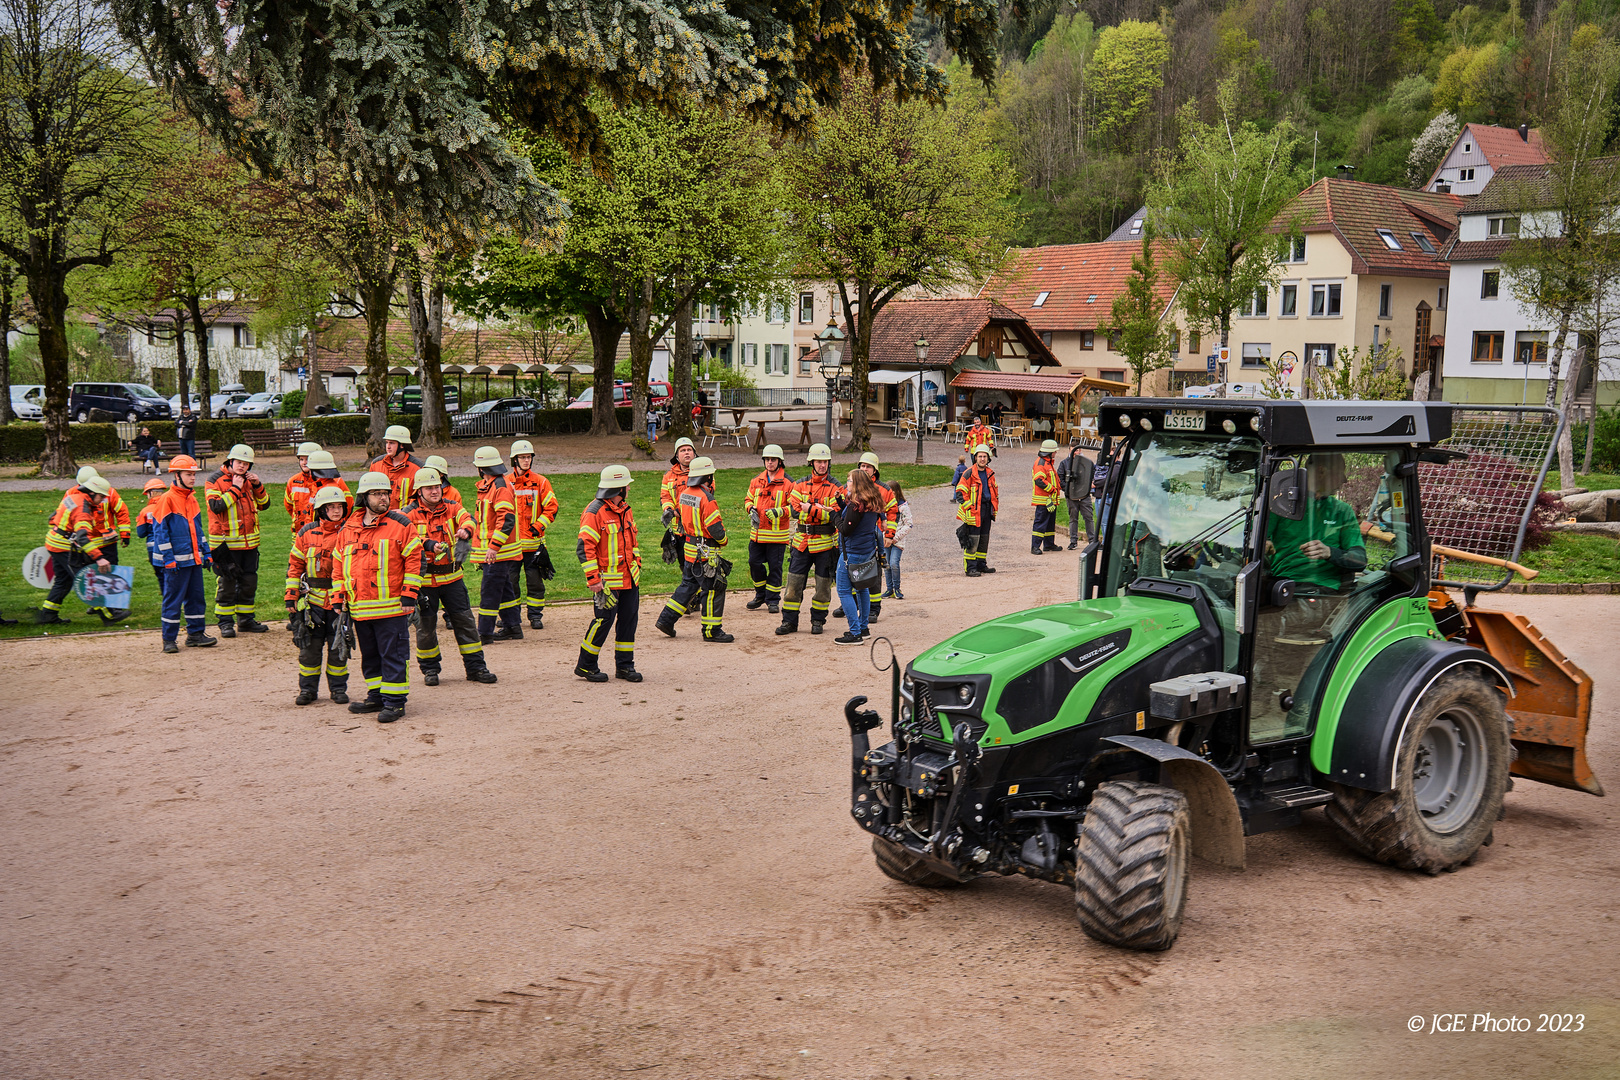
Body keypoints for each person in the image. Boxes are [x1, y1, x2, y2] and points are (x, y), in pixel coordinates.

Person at [335, 472, 423, 723]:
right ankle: (376, 695)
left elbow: (415, 561)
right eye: (377, 494)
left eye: (385, 493)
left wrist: (409, 595)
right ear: (364, 497)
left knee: (393, 655)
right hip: (360, 608)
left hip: (392, 608)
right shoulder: (349, 527)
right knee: (370, 656)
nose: (383, 498)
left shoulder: (401, 524)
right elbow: (339, 565)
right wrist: (339, 598)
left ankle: (395, 703)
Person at [404, 468, 497, 687]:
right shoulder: (407, 514)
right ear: (419, 491)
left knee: (465, 623)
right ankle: (430, 669)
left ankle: (476, 668)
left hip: (452, 578)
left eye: (437, 486)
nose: (435, 491)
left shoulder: (452, 506)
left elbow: (470, 519)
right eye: (429, 488)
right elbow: (403, 540)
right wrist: (426, 544)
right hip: (425, 582)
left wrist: (466, 530)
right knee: (425, 629)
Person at [285, 486, 353, 705]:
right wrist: (291, 596)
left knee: (338, 647)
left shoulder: (350, 531)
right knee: (309, 650)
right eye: (331, 507)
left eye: (339, 506)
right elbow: (295, 565)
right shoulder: (306, 533)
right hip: (312, 602)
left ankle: (338, 689)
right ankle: (307, 690)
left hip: (339, 603)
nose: (336, 510)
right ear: (321, 510)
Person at [576, 465, 643, 683]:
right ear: (618, 489)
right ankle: (586, 665)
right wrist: (593, 580)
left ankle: (625, 666)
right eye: (626, 486)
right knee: (602, 621)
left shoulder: (625, 509)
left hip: (629, 579)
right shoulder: (594, 513)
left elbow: (632, 541)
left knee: (628, 622)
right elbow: (584, 548)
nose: (628, 490)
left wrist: (637, 562)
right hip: (607, 583)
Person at [656, 455, 732, 642]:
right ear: (707, 477)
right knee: (713, 589)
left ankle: (666, 620)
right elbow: (715, 529)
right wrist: (724, 541)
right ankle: (711, 631)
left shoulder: (685, 494)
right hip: (706, 552)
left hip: (690, 549)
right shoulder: (707, 498)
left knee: (688, 585)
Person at [148, 455, 216, 652]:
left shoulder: (192, 499)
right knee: (173, 600)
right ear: (176, 475)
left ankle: (196, 635)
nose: (193, 478)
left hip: (193, 560)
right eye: (188, 474)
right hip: (175, 564)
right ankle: (169, 640)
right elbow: (160, 533)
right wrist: (168, 560)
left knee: (196, 599)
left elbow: (198, 530)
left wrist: (206, 553)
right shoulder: (166, 500)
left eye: (194, 474)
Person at [205, 443, 272, 636]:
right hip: (225, 544)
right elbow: (216, 506)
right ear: (230, 461)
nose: (242, 466)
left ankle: (246, 621)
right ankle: (225, 623)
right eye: (239, 462)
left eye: (246, 463)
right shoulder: (214, 480)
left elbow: (265, 504)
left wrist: (258, 484)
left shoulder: (249, 480)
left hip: (249, 543)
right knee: (227, 583)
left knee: (249, 582)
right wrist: (235, 488)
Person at [776, 443, 843, 636]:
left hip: (825, 545)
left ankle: (818, 621)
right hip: (801, 543)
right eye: (818, 461)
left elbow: (834, 515)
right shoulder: (800, 484)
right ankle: (789, 622)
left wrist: (810, 508)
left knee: (823, 587)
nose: (822, 465)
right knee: (793, 586)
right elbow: (796, 509)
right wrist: (820, 509)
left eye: (825, 461)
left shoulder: (836, 487)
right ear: (811, 462)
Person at [37, 473, 117, 624]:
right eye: (102, 496)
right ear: (92, 493)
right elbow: (83, 538)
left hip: (54, 542)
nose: (104, 500)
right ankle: (109, 616)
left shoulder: (72, 497)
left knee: (63, 581)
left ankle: (48, 615)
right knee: (86, 580)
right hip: (63, 547)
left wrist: (64, 530)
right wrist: (99, 558)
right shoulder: (83, 509)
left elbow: (52, 518)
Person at [833, 451, 897, 622]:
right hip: (856, 537)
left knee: (871, 578)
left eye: (868, 466)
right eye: (862, 466)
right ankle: (852, 605)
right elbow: (849, 511)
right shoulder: (855, 487)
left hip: (871, 540)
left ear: (875, 470)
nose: (864, 469)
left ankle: (873, 610)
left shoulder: (884, 489)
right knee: (855, 578)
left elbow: (891, 512)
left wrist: (889, 534)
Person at [471, 444, 523, 643]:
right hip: (497, 551)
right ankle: (513, 627)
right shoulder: (492, 485)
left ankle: (484, 633)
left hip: (498, 552)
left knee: (490, 591)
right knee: (504, 589)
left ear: (482, 468)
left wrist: (493, 547)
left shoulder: (499, 487)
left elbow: (506, 519)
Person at [508, 439, 559, 630]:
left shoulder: (541, 482)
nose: (526, 460)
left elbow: (552, 508)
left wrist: (539, 526)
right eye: (522, 457)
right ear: (515, 460)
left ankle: (535, 616)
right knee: (510, 583)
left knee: (535, 583)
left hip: (533, 545)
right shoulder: (505, 483)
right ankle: (511, 617)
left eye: (528, 457)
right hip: (511, 546)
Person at [833, 469, 884, 645]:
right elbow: (856, 519)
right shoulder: (872, 501)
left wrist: (833, 516)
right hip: (866, 552)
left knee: (844, 591)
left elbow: (847, 528)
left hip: (852, 554)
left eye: (849, 481)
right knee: (862, 588)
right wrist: (841, 504)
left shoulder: (857, 504)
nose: (846, 483)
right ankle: (863, 628)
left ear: (856, 484)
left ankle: (855, 633)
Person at [743, 443, 793, 613]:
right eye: (767, 459)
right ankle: (760, 594)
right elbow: (748, 500)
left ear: (780, 461)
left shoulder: (788, 483)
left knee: (775, 567)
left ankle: (772, 600)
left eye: (773, 459)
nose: (770, 462)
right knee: (754, 563)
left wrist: (781, 512)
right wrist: (750, 509)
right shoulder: (756, 481)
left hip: (777, 536)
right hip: (757, 534)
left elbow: (795, 507)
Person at [956, 448, 998, 576]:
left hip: (986, 509)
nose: (982, 459)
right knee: (973, 540)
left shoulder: (990, 473)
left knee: (984, 539)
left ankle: (981, 565)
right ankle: (970, 568)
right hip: (974, 512)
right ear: (975, 458)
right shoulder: (969, 473)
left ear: (988, 458)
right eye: (980, 456)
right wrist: (970, 508)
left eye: (985, 457)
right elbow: (960, 493)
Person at [367, 424, 425, 509]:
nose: (388, 446)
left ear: (402, 445)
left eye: (392, 443)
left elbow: (421, 499)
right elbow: (369, 493)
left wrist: (404, 512)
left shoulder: (418, 468)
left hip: (405, 518)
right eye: (387, 442)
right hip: (380, 517)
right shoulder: (376, 464)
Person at [133, 477, 169, 596]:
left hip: (153, 548)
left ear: (151, 493)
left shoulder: (145, 511)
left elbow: (141, 533)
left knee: (161, 576)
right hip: (170, 546)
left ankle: (167, 602)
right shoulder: (170, 507)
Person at [1056, 442, 1096, 549]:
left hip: (1084, 495)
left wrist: (1089, 486)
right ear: (1069, 450)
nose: (1076, 452)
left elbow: (1093, 474)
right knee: (1073, 519)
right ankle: (1073, 541)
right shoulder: (1064, 463)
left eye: (1078, 450)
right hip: (1071, 496)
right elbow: (1060, 479)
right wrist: (1068, 490)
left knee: (1089, 517)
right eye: (1074, 450)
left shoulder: (1087, 463)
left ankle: (1092, 540)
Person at [282, 442, 324, 534]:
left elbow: (346, 506)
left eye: (308, 459)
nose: (304, 463)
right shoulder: (293, 481)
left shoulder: (330, 480)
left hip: (320, 533)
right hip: (298, 533)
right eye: (301, 459)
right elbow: (289, 506)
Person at [1031, 439, 1062, 554]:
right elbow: (1039, 480)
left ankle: (1049, 544)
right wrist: (1052, 489)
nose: (1055, 453)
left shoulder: (1048, 463)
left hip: (1049, 500)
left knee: (1049, 523)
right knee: (1040, 523)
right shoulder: (1041, 463)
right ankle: (1035, 546)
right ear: (1049, 452)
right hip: (1043, 500)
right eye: (1054, 451)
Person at [881, 481, 911, 600]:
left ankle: (897, 588)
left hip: (897, 541)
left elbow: (909, 524)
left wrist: (895, 537)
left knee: (894, 563)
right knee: (886, 564)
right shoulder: (884, 506)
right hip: (885, 540)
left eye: (893, 491)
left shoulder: (903, 507)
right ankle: (889, 589)